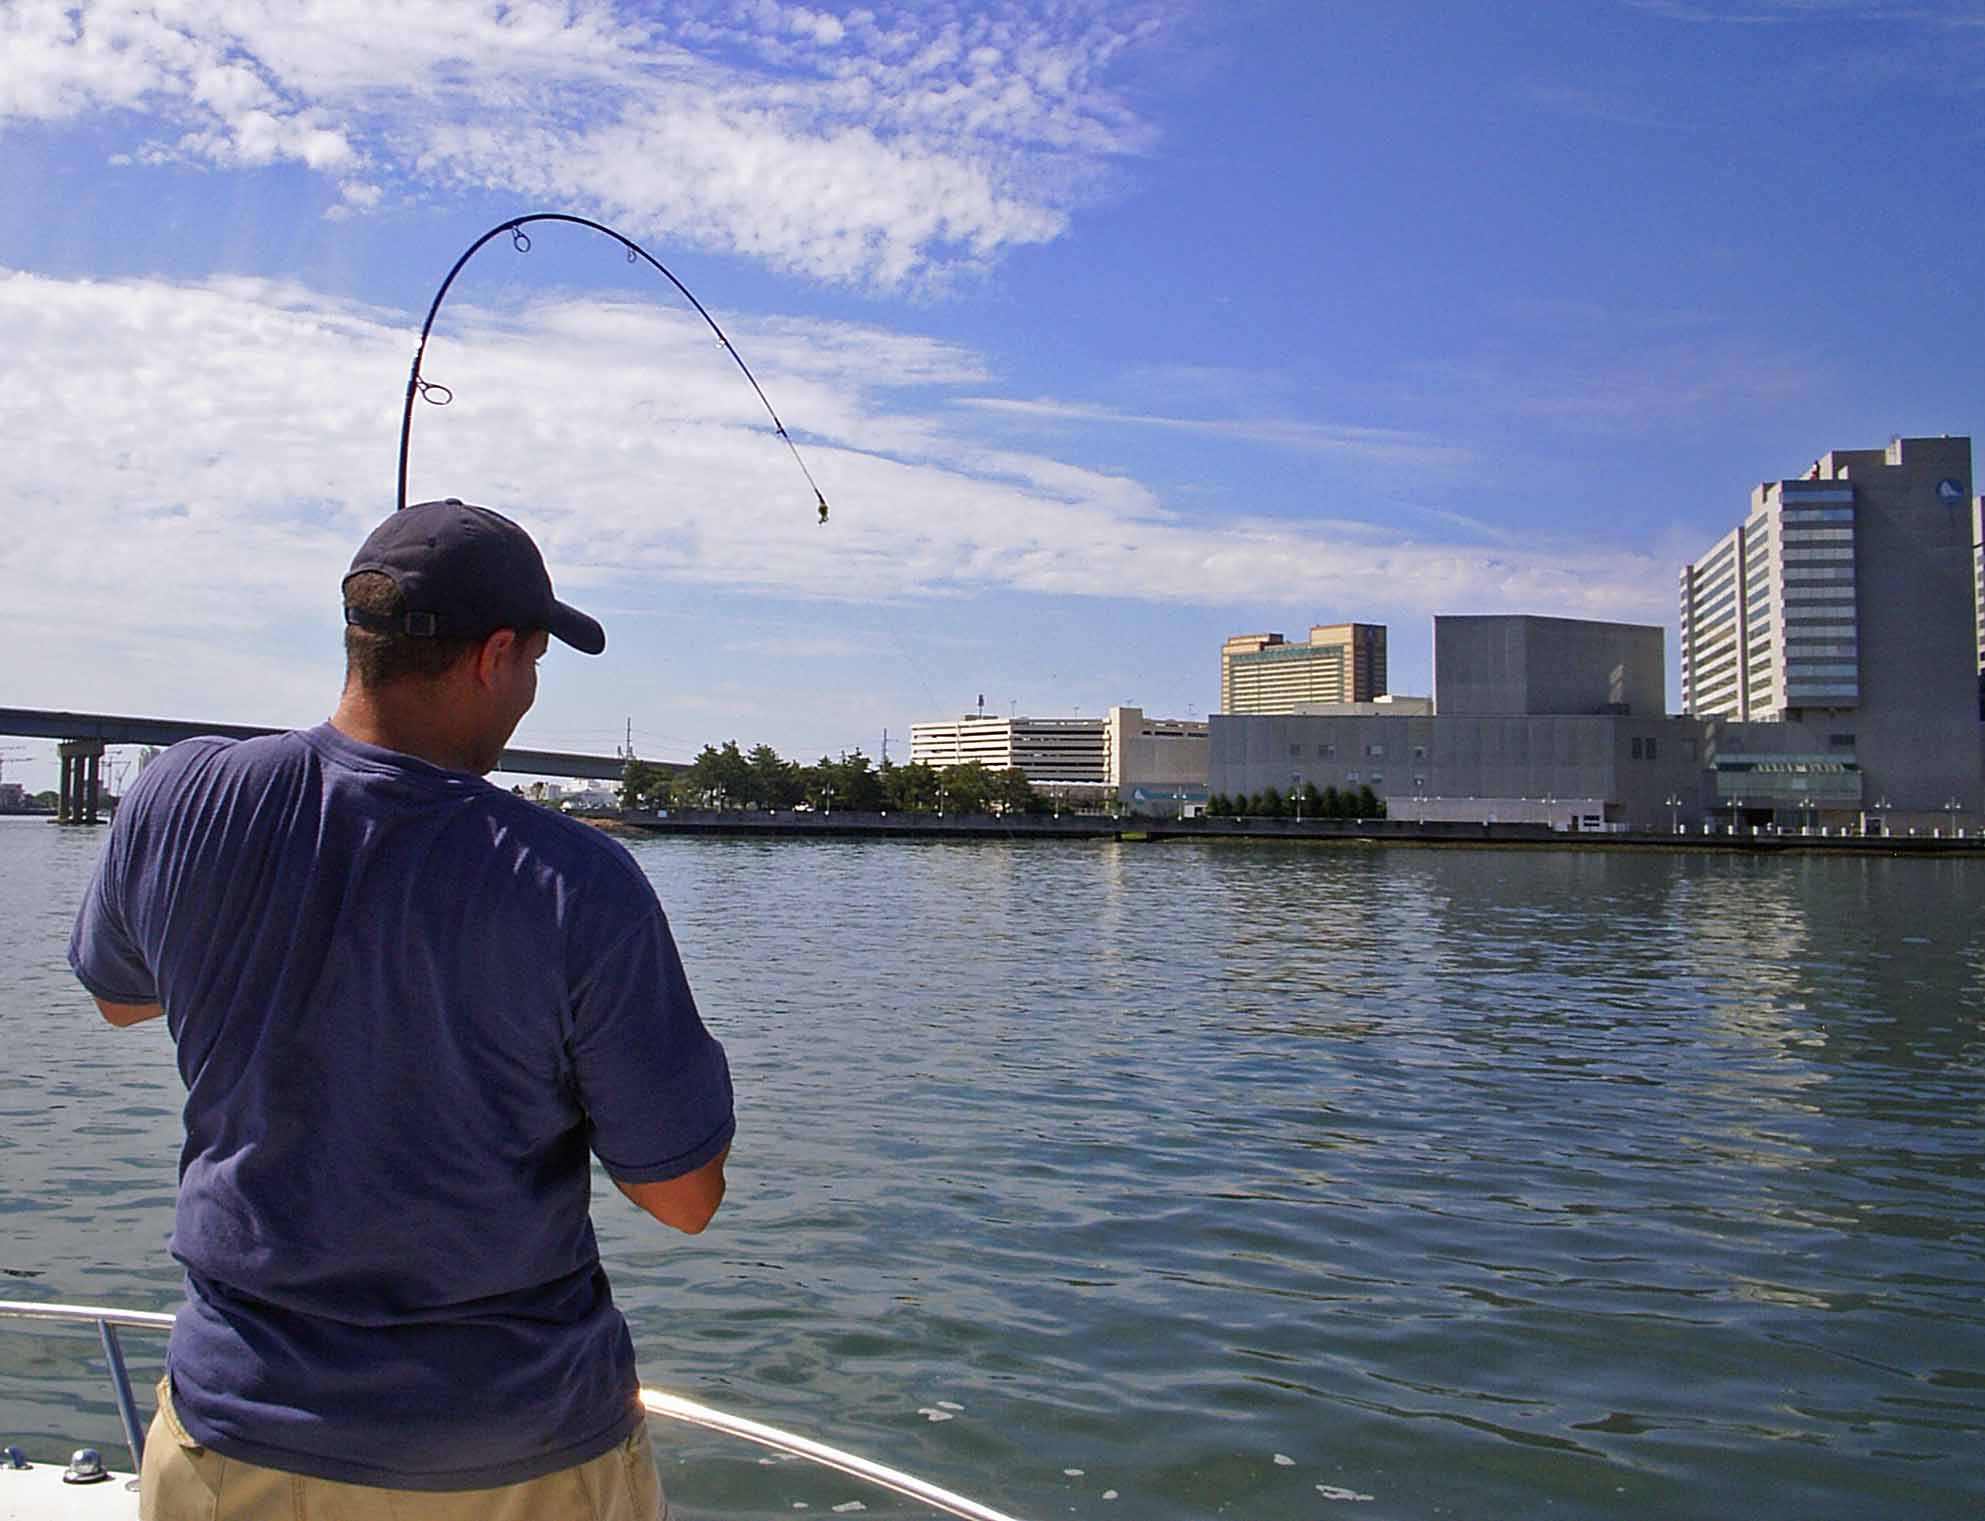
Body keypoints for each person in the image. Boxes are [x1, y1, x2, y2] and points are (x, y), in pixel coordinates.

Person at [69, 498, 733, 1521]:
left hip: (231, 1438)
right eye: (534, 665)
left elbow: (120, 998)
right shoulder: (579, 882)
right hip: (512, 1454)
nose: (529, 692)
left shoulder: (177, 797)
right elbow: (682, 1196)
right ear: (493, 656)